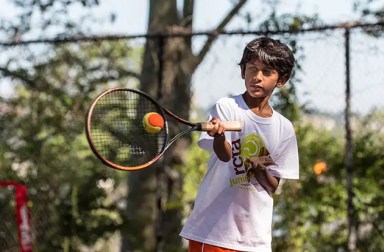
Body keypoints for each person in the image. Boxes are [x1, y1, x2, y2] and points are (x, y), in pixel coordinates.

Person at [179, 37, 300, 252]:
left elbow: (272, 186)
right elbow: (224, 156)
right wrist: (219, 136)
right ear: (243, 71)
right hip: (213, 233)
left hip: (256, 240)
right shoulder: (227, 107)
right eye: (252, 69)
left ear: (281, 79)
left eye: (267, 72)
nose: (257, 77)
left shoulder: (284, 128)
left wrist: (260, 169)